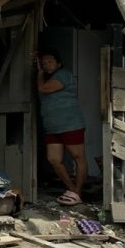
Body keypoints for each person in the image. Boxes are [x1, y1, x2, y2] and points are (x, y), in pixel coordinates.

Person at [35, 49, 87, 206]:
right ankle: (72, 190)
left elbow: (44, 89)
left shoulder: (62, 74)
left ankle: (77, 190)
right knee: (54, 159)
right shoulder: (47, 78)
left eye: (50, 61)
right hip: (53, 126)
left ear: (58, 63)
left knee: (78, 157)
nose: (46, 65)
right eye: (44, 63)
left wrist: (38, 74)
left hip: (70, 124)